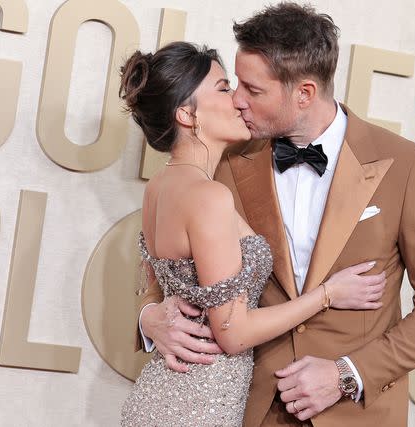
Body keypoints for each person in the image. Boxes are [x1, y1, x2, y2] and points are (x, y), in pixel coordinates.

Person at [136, 3, 415, 426]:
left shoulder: (405, 165)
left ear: (305, 93)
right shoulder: (220, 162)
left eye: (253, 90)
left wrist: (348, 373)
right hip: (247, 411)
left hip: (356, 414)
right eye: (234, 84)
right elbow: (170, 261)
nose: (238, 100)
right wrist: (150, 318)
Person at [119, 41, 388, 426]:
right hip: (197, 407)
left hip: (167, 395)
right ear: (187, 114)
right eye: (225, 88)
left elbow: (158, 284)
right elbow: (233, 333)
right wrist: (328, 295)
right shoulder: (207, 196)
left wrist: (149, 314)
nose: (239, 100)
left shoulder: (159, 187)